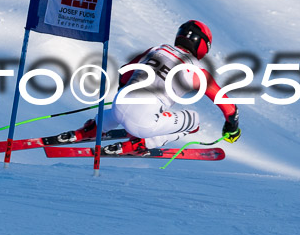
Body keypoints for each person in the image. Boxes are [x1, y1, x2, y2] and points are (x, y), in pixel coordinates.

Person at [58, 20, 241, 154]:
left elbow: (124, 74)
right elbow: (228, 106)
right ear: (203, 45)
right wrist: (232, 126)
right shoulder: (197, 70)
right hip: (142, 123)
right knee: (194, 121)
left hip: (118, 105)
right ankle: (143, 143)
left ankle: (95, 127)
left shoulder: (157, 49)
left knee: (123, 104)